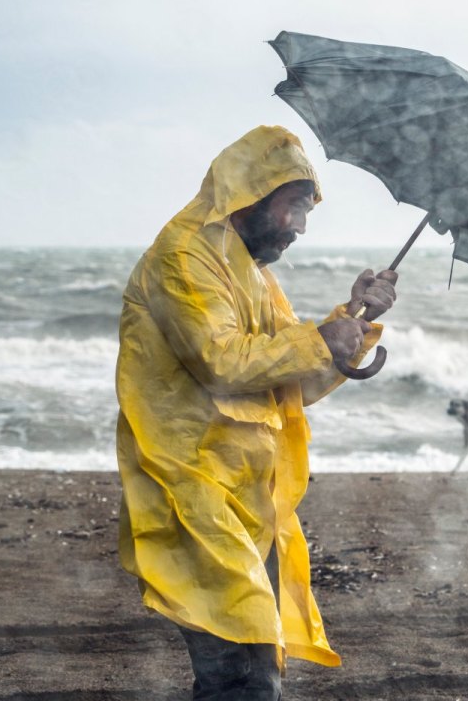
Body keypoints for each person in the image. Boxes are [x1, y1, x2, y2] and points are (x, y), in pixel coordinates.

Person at [115, 125, 397, 700]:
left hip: (248, 495)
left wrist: (353, 319)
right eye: (294, 206)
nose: (299, 227)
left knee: (251, 665)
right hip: (191, 487)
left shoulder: (250, 271)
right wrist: (323, 339)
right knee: (241, 674)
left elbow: (285, 377)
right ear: (249, 193)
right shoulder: (183, 258)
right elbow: (221, 362)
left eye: (307, 213)